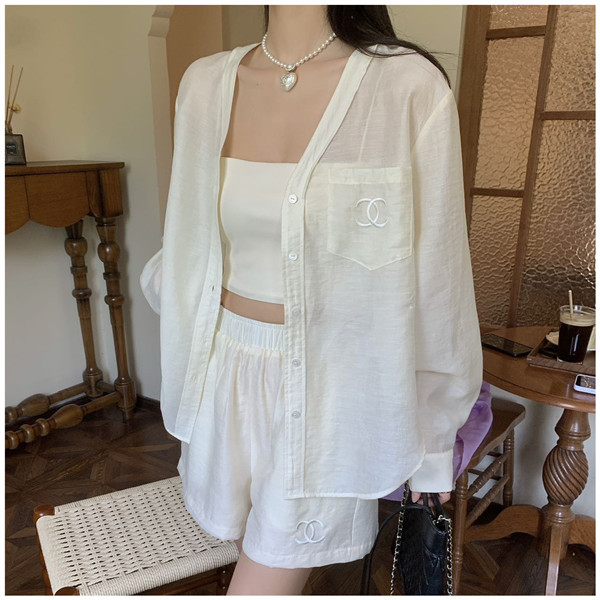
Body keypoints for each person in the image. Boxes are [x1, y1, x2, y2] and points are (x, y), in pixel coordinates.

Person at [139, 4, 483, 595]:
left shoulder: (406, 87)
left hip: (330, 394)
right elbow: (189, 243)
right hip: (224, 379)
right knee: (249, 554)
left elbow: (438, 283)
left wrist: (431, 445)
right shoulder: (203, 85)